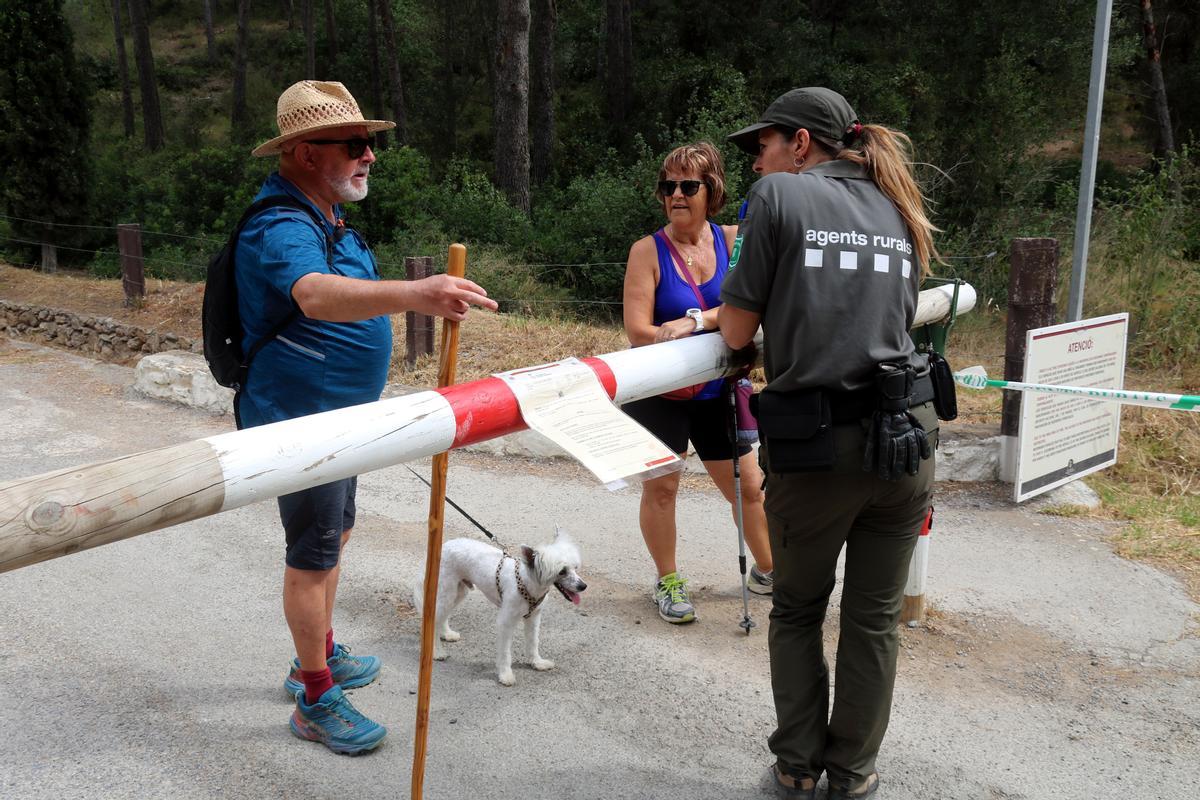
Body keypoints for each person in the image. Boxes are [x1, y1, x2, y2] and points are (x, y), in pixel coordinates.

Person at [238, 80, 498, 754]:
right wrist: (417, 293)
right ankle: (315, 693)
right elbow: (316, 296)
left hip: (342, 423)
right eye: (354, 144)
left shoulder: (327, 218)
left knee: (337, 539)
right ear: (302, 152)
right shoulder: (281, 225)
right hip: (303, 427)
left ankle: (318, 649)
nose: (369, 156)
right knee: (312, 556)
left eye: (369, 143)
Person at [719, 88, 941, 799]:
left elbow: (732, 330)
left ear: (802, 144)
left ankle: (796, 765)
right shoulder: (899, 206)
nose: (757, 159)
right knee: (874, 621)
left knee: (797, 609)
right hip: (908, 438)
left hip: (819, 449)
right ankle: (853, 774)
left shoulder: (778, 200)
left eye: (764, 144)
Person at [621, 142, 774, 625]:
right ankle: (667, 581)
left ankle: (770, 571)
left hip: (719, 391)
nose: (677, 195)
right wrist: (706, 322)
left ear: (713, 191)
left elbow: (756, 302)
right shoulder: (647, 251)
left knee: (748, 487)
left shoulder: (735, 239)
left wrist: (697, 320)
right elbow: (639, 333)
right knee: (663, 489)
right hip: (660, 394)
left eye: (689, 186)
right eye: (669, 187)